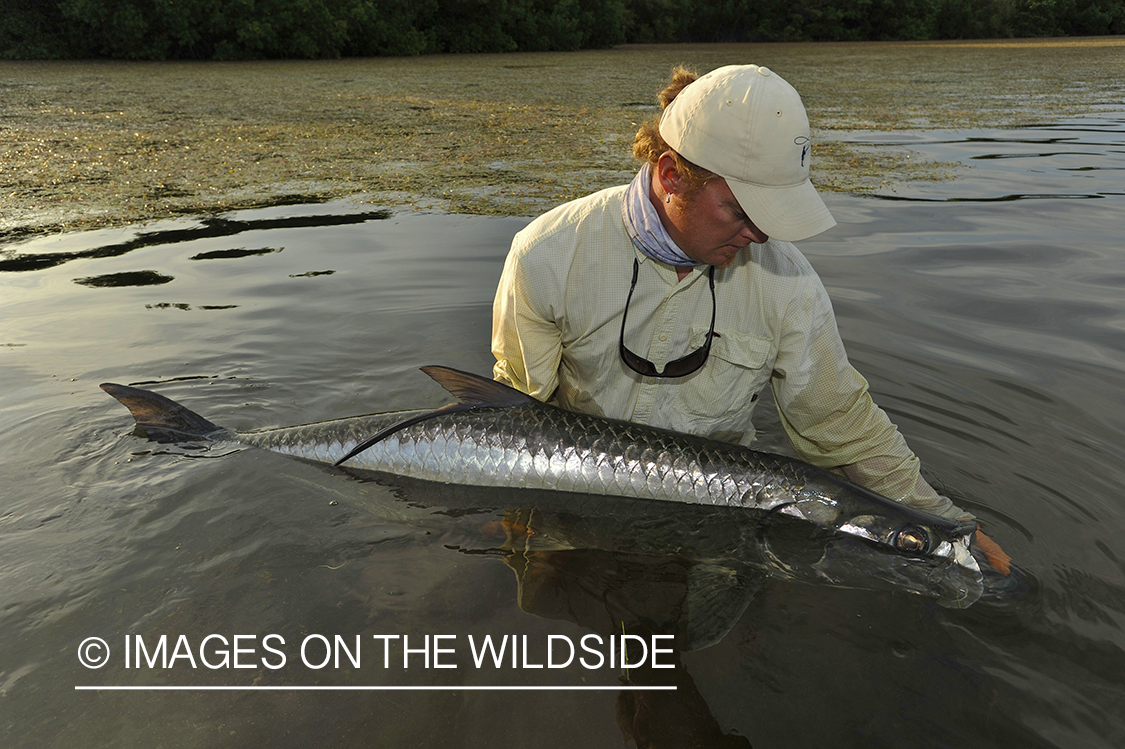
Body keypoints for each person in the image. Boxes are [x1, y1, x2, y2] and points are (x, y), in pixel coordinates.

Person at [491, 64, 1009, 570]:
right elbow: (515, 410)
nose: (759, 235)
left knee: (716, 649)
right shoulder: (547, 254)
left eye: (771, 215)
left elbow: (840, 421)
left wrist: (946, 525)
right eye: (742, 212)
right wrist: (510, 516)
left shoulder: (790, 284)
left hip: (719, 516)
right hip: (572, 497)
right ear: (672, 175)